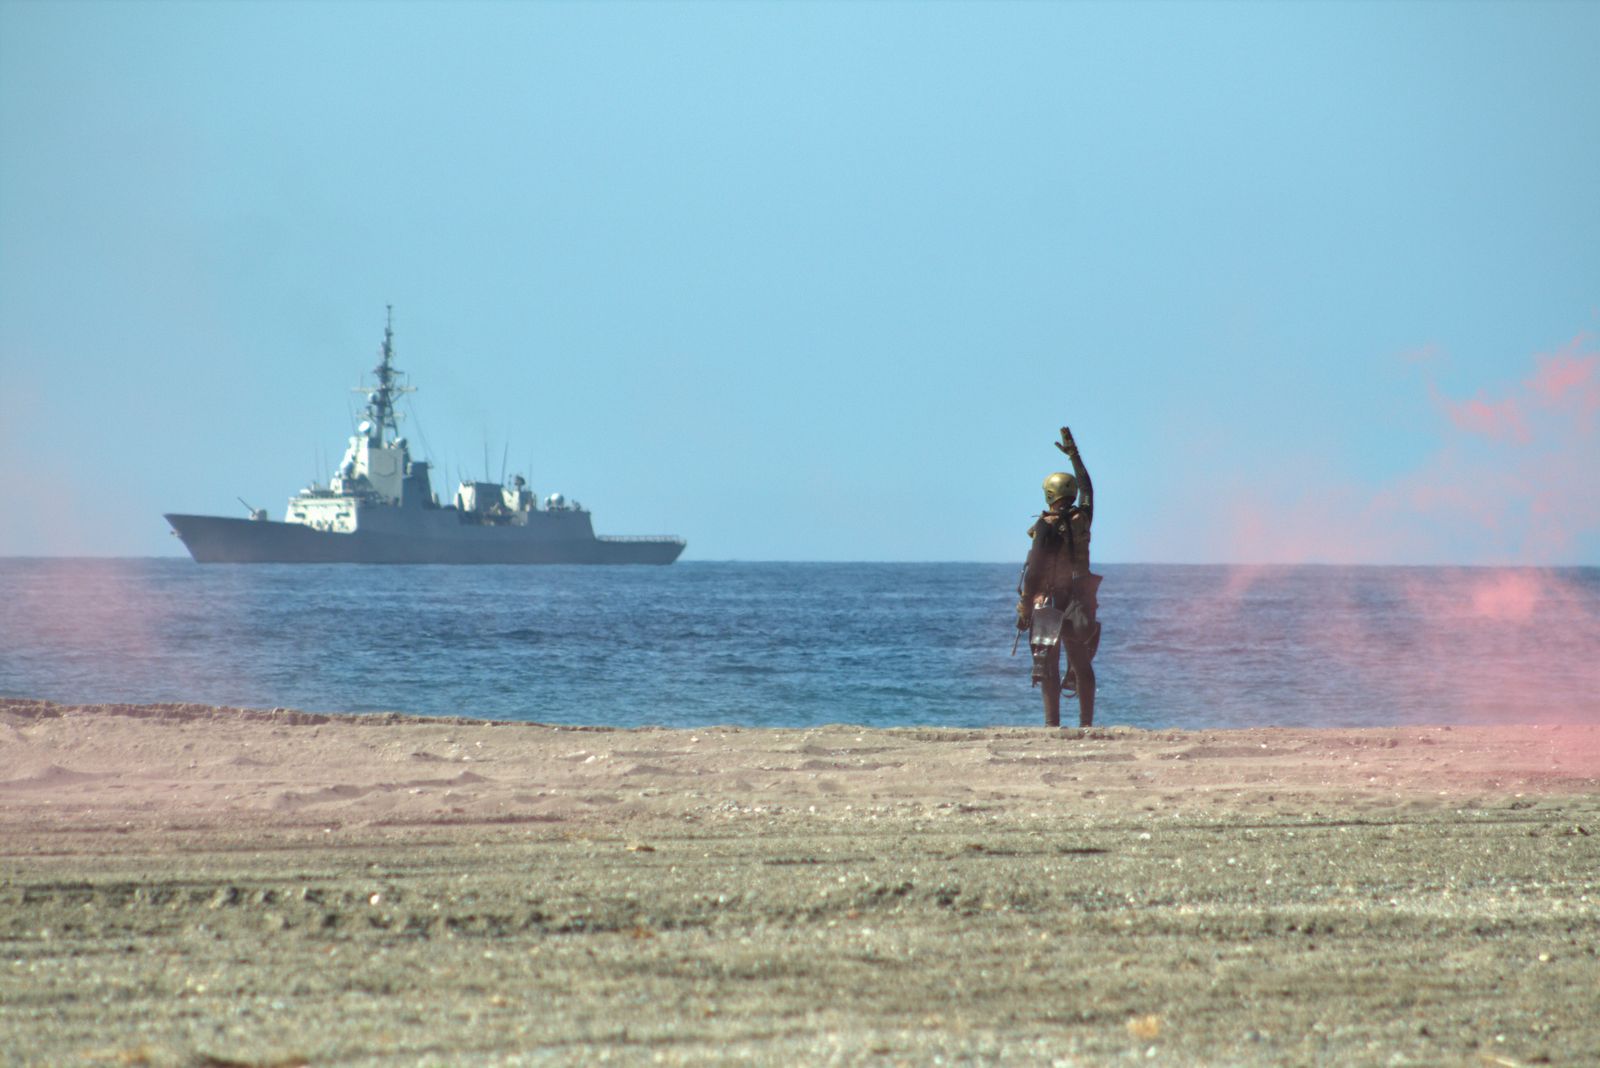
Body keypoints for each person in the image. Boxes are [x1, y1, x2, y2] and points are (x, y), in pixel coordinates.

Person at [1016, 426, 1101, 727]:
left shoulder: (1046, 525)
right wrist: (1075, 457)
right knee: (1081, 663)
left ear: (1049, 494)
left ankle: (1052, 724)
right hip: (1080, 598)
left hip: (1049, 599)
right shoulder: (1084, 519)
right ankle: (1086, 725)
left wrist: (1026, 604)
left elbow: (1036, 568)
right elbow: (1089, 490)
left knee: (1048, 664)